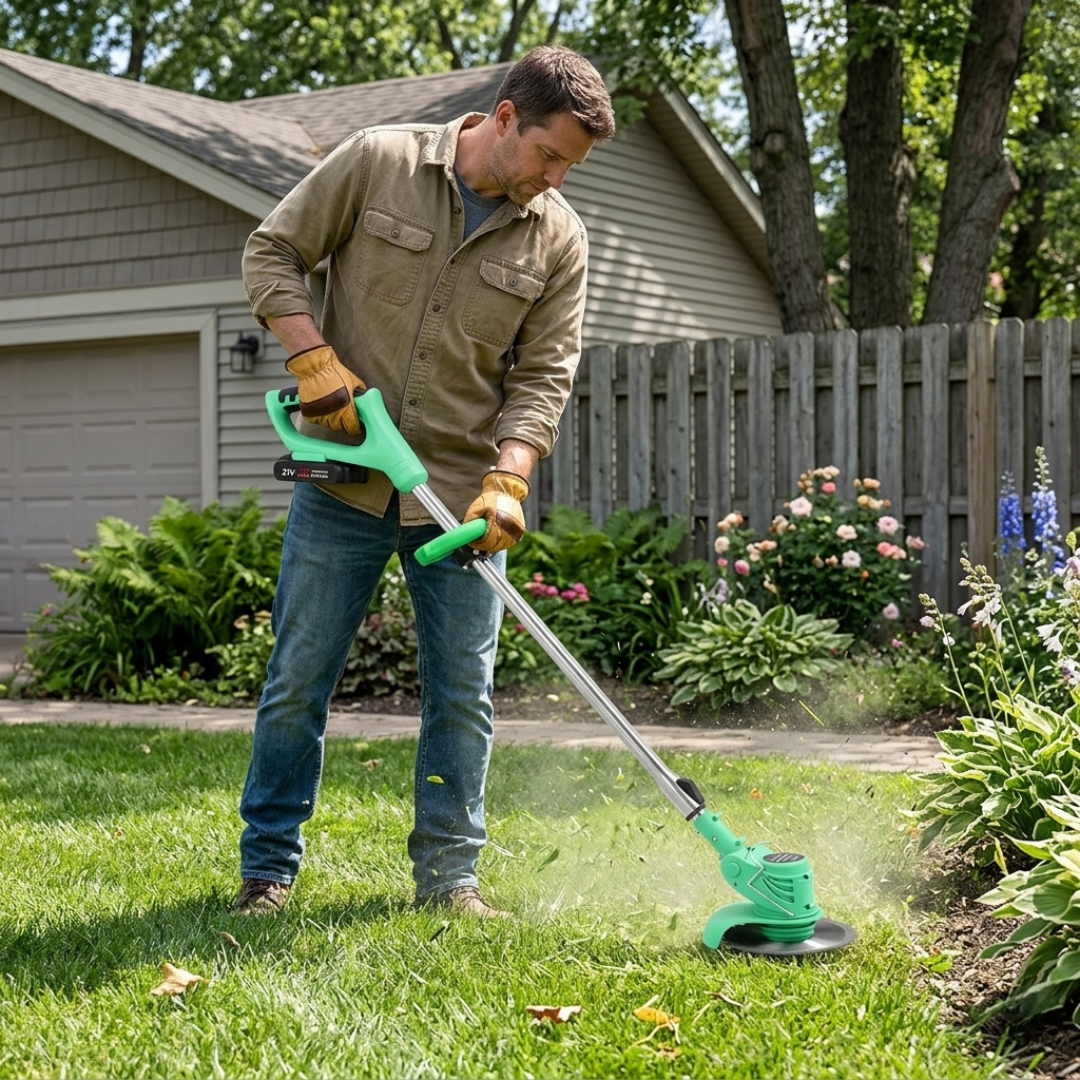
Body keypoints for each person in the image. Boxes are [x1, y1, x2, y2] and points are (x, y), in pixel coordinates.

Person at [235, 45, 615, 918]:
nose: (555, 180)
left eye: (572, 167)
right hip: (345, 476)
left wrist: (509, 481)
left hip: (455, 497)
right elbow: (272, 252)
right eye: (550, 156)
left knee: (463, 693)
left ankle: (450, 880)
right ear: (508, 118)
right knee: (299, 675)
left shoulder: (559, 236)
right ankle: (268, 870)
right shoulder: (379, 159)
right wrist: (311, 355)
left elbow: (544, 376)